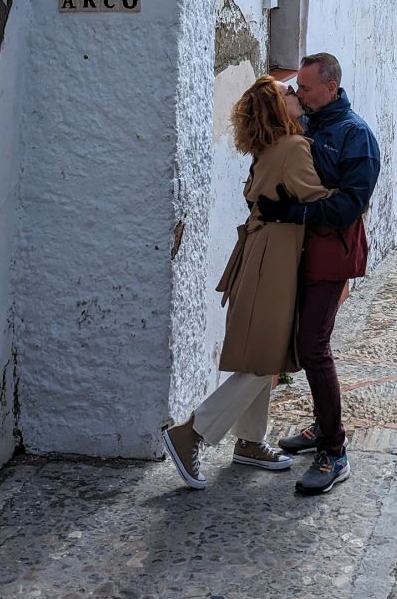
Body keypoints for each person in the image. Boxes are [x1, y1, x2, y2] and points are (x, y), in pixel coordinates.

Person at [162, 75, 330, 491]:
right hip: (272, 261)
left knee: (263, 354)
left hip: (263, 254)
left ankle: (251, 441)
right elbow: (321, 202)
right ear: (277, 108)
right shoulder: (293, 148)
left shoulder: (269, 149)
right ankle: (191, 435)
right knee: (265, 360)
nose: (294, 95)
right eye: (286, 93)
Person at [257, 52, 380, 497]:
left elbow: (350, 206)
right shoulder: (306, 122)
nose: (298, 92)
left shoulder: (355, 136)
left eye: (305, 88)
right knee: (295, 341)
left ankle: (335, 451)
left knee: (313, 346)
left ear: (330, 87)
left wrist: (292, 211)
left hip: (328, 256)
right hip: (295, 252)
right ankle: (319, 429)